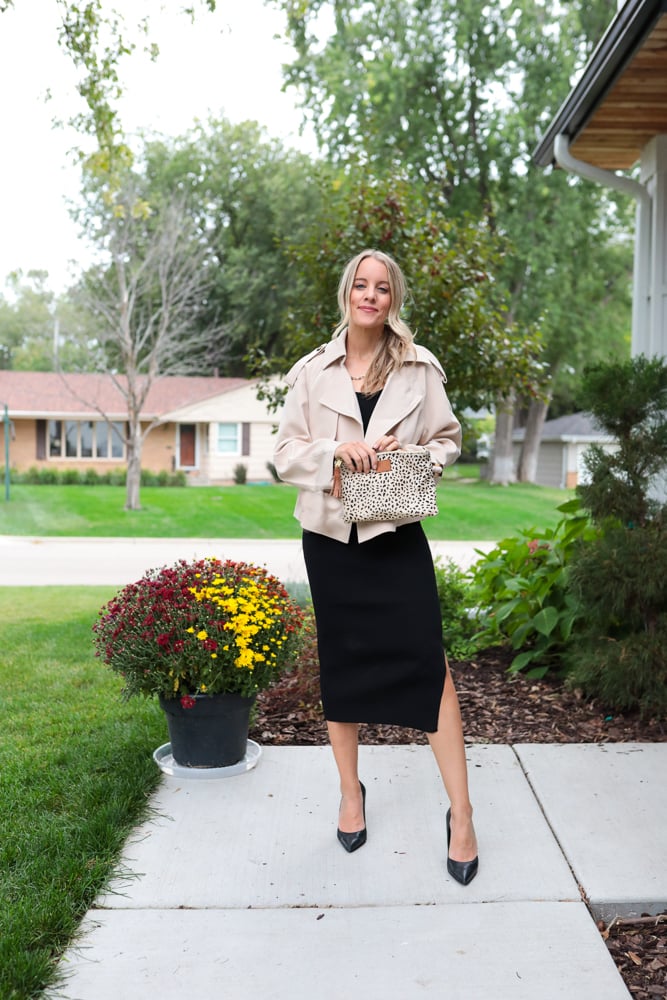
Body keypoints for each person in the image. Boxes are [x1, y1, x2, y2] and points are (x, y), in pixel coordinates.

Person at [273, 248, 478, 885]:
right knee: (343, 661)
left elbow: (449, 439)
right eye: (361, 285)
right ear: (346, 294)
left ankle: (463, 813)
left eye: (382, 287)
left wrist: (412, 455)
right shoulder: (311, 371)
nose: (370, 295)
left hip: (397, 532)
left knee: (430, 664)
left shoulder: (420, 369)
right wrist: (340, 449)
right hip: (332, 540)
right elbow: (285, 453)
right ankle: (350, 793)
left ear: (394, 298)